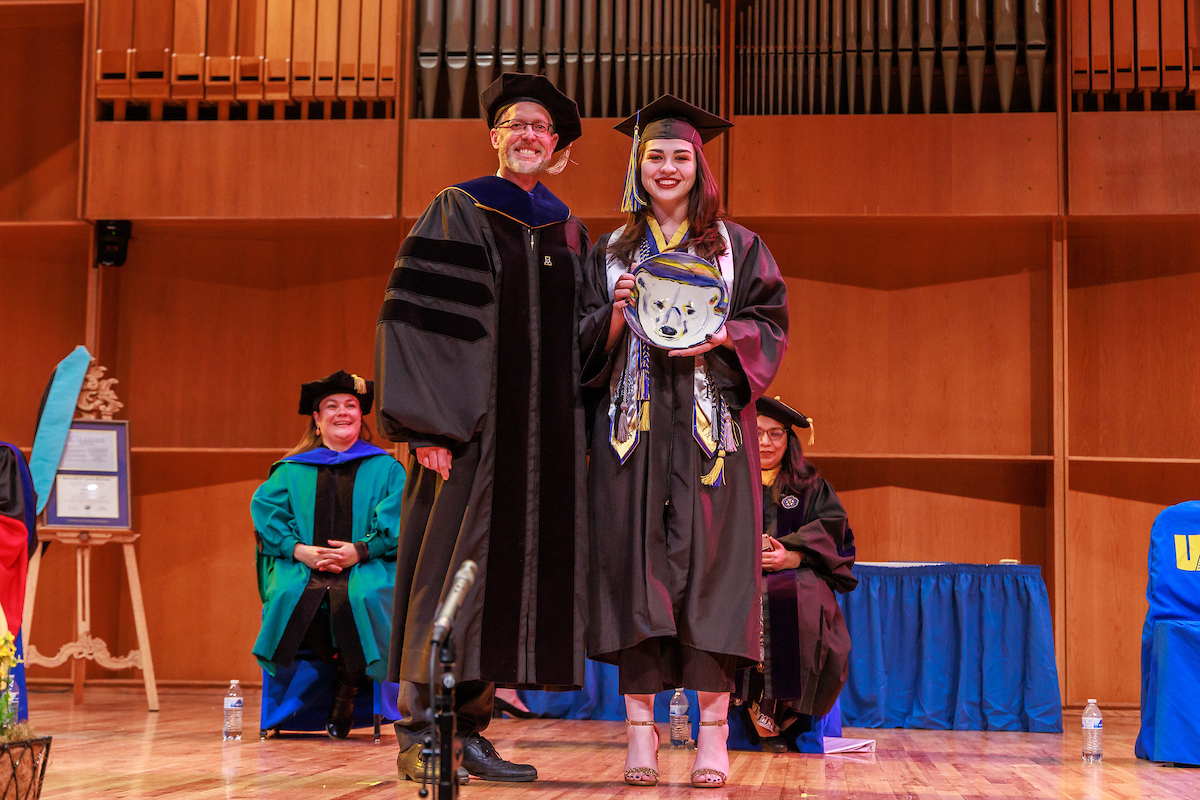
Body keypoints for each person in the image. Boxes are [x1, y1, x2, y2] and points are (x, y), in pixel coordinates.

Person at [374, 72, 590, 784]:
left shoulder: (566, 227)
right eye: (515, 124)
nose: (528, 135)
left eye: (540, 127)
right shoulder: (459, 208)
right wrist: (429, 426)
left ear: (556, 145)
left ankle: (468, 727)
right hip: (468, 437)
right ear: (494, 136)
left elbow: (578, 339)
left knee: (507, 586)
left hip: (543, 445)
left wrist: (616, 311)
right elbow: (424, 320)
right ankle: (419, 731)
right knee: (447, 577)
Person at [578, 95, 789, 788]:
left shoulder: (739, 247)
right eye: (654, 156)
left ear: (700, 166)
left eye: (680, 157)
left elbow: (771, 323)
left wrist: (732, 335)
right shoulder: (607, 252)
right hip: (630, 438)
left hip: (711, 442)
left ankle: (714, 738)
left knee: (712, 583)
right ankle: (639, 733)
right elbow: (578, 348)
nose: (667, 168)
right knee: (635, 581)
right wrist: (612, 315)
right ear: (637, 167)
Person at [251, 370, 404, 739]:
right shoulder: (289, 470)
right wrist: (299, 550)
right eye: (331, 406)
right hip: (304, 565)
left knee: (361, 594)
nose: (342, 412)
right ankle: (337, 680)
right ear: (316, 421)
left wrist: (361, 550)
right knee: (291, 594)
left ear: (361, 417)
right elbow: (267, 516)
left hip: (368, 564)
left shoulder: (386, 467)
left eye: (351, 405)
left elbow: (400, 522)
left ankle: (349, 687)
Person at [736, 396, 857, 752]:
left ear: (789, 440)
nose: (765, 442)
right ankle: (752, 715)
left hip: (799, 574)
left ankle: (788, 716)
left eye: (775, 434)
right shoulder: (726, 481)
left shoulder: (810, 487)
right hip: (739, 577)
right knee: (745, 601)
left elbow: (837, 534)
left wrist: (794, 554)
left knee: (803, 600)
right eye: (757, 433)